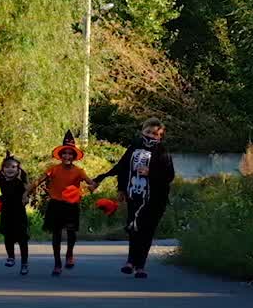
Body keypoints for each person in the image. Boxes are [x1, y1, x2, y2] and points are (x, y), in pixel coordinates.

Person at [95, 118, 175, 278]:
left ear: (161, 136)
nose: (152, 136)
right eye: (149, 132)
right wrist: (119, 188)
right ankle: (130, 261)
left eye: (156, 134)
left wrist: (151, 173)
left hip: (155, 199)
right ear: (142, 131)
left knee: (147, 230)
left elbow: (169, 175)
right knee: (134, 227)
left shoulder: (163, 151)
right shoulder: (133, 148)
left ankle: (140, 266)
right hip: (135, 195)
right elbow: (122, 167)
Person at [31, 130, 98, 276]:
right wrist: (26, 192)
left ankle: (69, 254)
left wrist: (93, 186)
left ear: (74, 156)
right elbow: (39, 180)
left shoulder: (79, 171)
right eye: (65, 153)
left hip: (71, 205)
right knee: (56, 235)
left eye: (70, 154)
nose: (67, 156)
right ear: (60, 155)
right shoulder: (53, 170)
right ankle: (57, 263)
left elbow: (91, 183)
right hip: (56, 204)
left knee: (71, 233)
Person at [0, 153, 31, 276]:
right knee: (8, 237)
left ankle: (24, 264)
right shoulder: (2, 180)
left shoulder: (21, 182)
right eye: (7, 167)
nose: (10, 169)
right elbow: (0, 175)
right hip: (6, 213)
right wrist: (7, 158)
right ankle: (11, 257)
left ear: (18, 169)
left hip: (19, 214)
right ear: (3, 169)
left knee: (22, 240)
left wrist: (22, 173)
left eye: (13, 167)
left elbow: (27, 186)